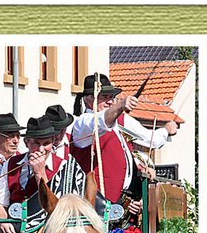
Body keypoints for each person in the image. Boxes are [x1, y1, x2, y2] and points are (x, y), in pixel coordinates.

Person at [68, 73, 178, 214]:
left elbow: (152, 140)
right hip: (97, 205)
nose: (110, 102)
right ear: (89, 100)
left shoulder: (120, 123)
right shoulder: (83, 123)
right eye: (104, 98)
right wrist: (120, 106)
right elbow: (100, 122)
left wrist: (138, 167)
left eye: (112, 98)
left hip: (125, 203)